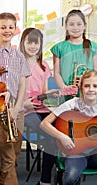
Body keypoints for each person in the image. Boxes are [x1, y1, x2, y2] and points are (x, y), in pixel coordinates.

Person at [0, 12, 31, 185]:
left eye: (10, 27)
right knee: (8, 156)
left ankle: (2, 181)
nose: (7, 30)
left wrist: (17, 106)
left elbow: (22, 84)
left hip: (17, 109)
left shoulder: (18, 55)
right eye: (3, 27)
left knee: (15, 154)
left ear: (15, 30)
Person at [19, 27, 56, 185]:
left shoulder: (44, 65)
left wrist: (53, 94)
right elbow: (10, 92)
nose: (33, 46)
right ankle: (46, 180)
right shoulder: (17, 64)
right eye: (29, 42)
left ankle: (54, 176)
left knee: (60, 136)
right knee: (51, 138)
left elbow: (45, 91)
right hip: (26, 112)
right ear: (23, 43)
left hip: (43, 109)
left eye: (36, 43)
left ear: (40, 45)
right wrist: (23, 103)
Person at [51, 9, 97, 90]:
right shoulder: (59, 48)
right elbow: (57, 73)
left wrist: (86, 79)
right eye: (71, 24)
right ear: (66, 26)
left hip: (88, 91)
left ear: (84, 26)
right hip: (66, 92)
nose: (75, 28)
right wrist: (65, 88)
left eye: (79, 24)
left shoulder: (93, 47)